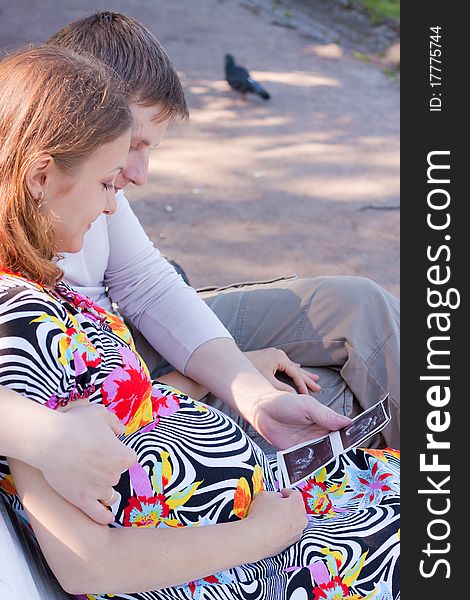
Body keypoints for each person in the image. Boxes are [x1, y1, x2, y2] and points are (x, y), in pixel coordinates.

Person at [0, 45, 399, 600]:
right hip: (261, 557)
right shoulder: (17, 320)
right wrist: (264, 535)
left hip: (277, 520)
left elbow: (127, 398)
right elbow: (87, 565)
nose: (117, 205)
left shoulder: (46, 285)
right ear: (42, 176)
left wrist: (241, 387)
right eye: (108, 183)